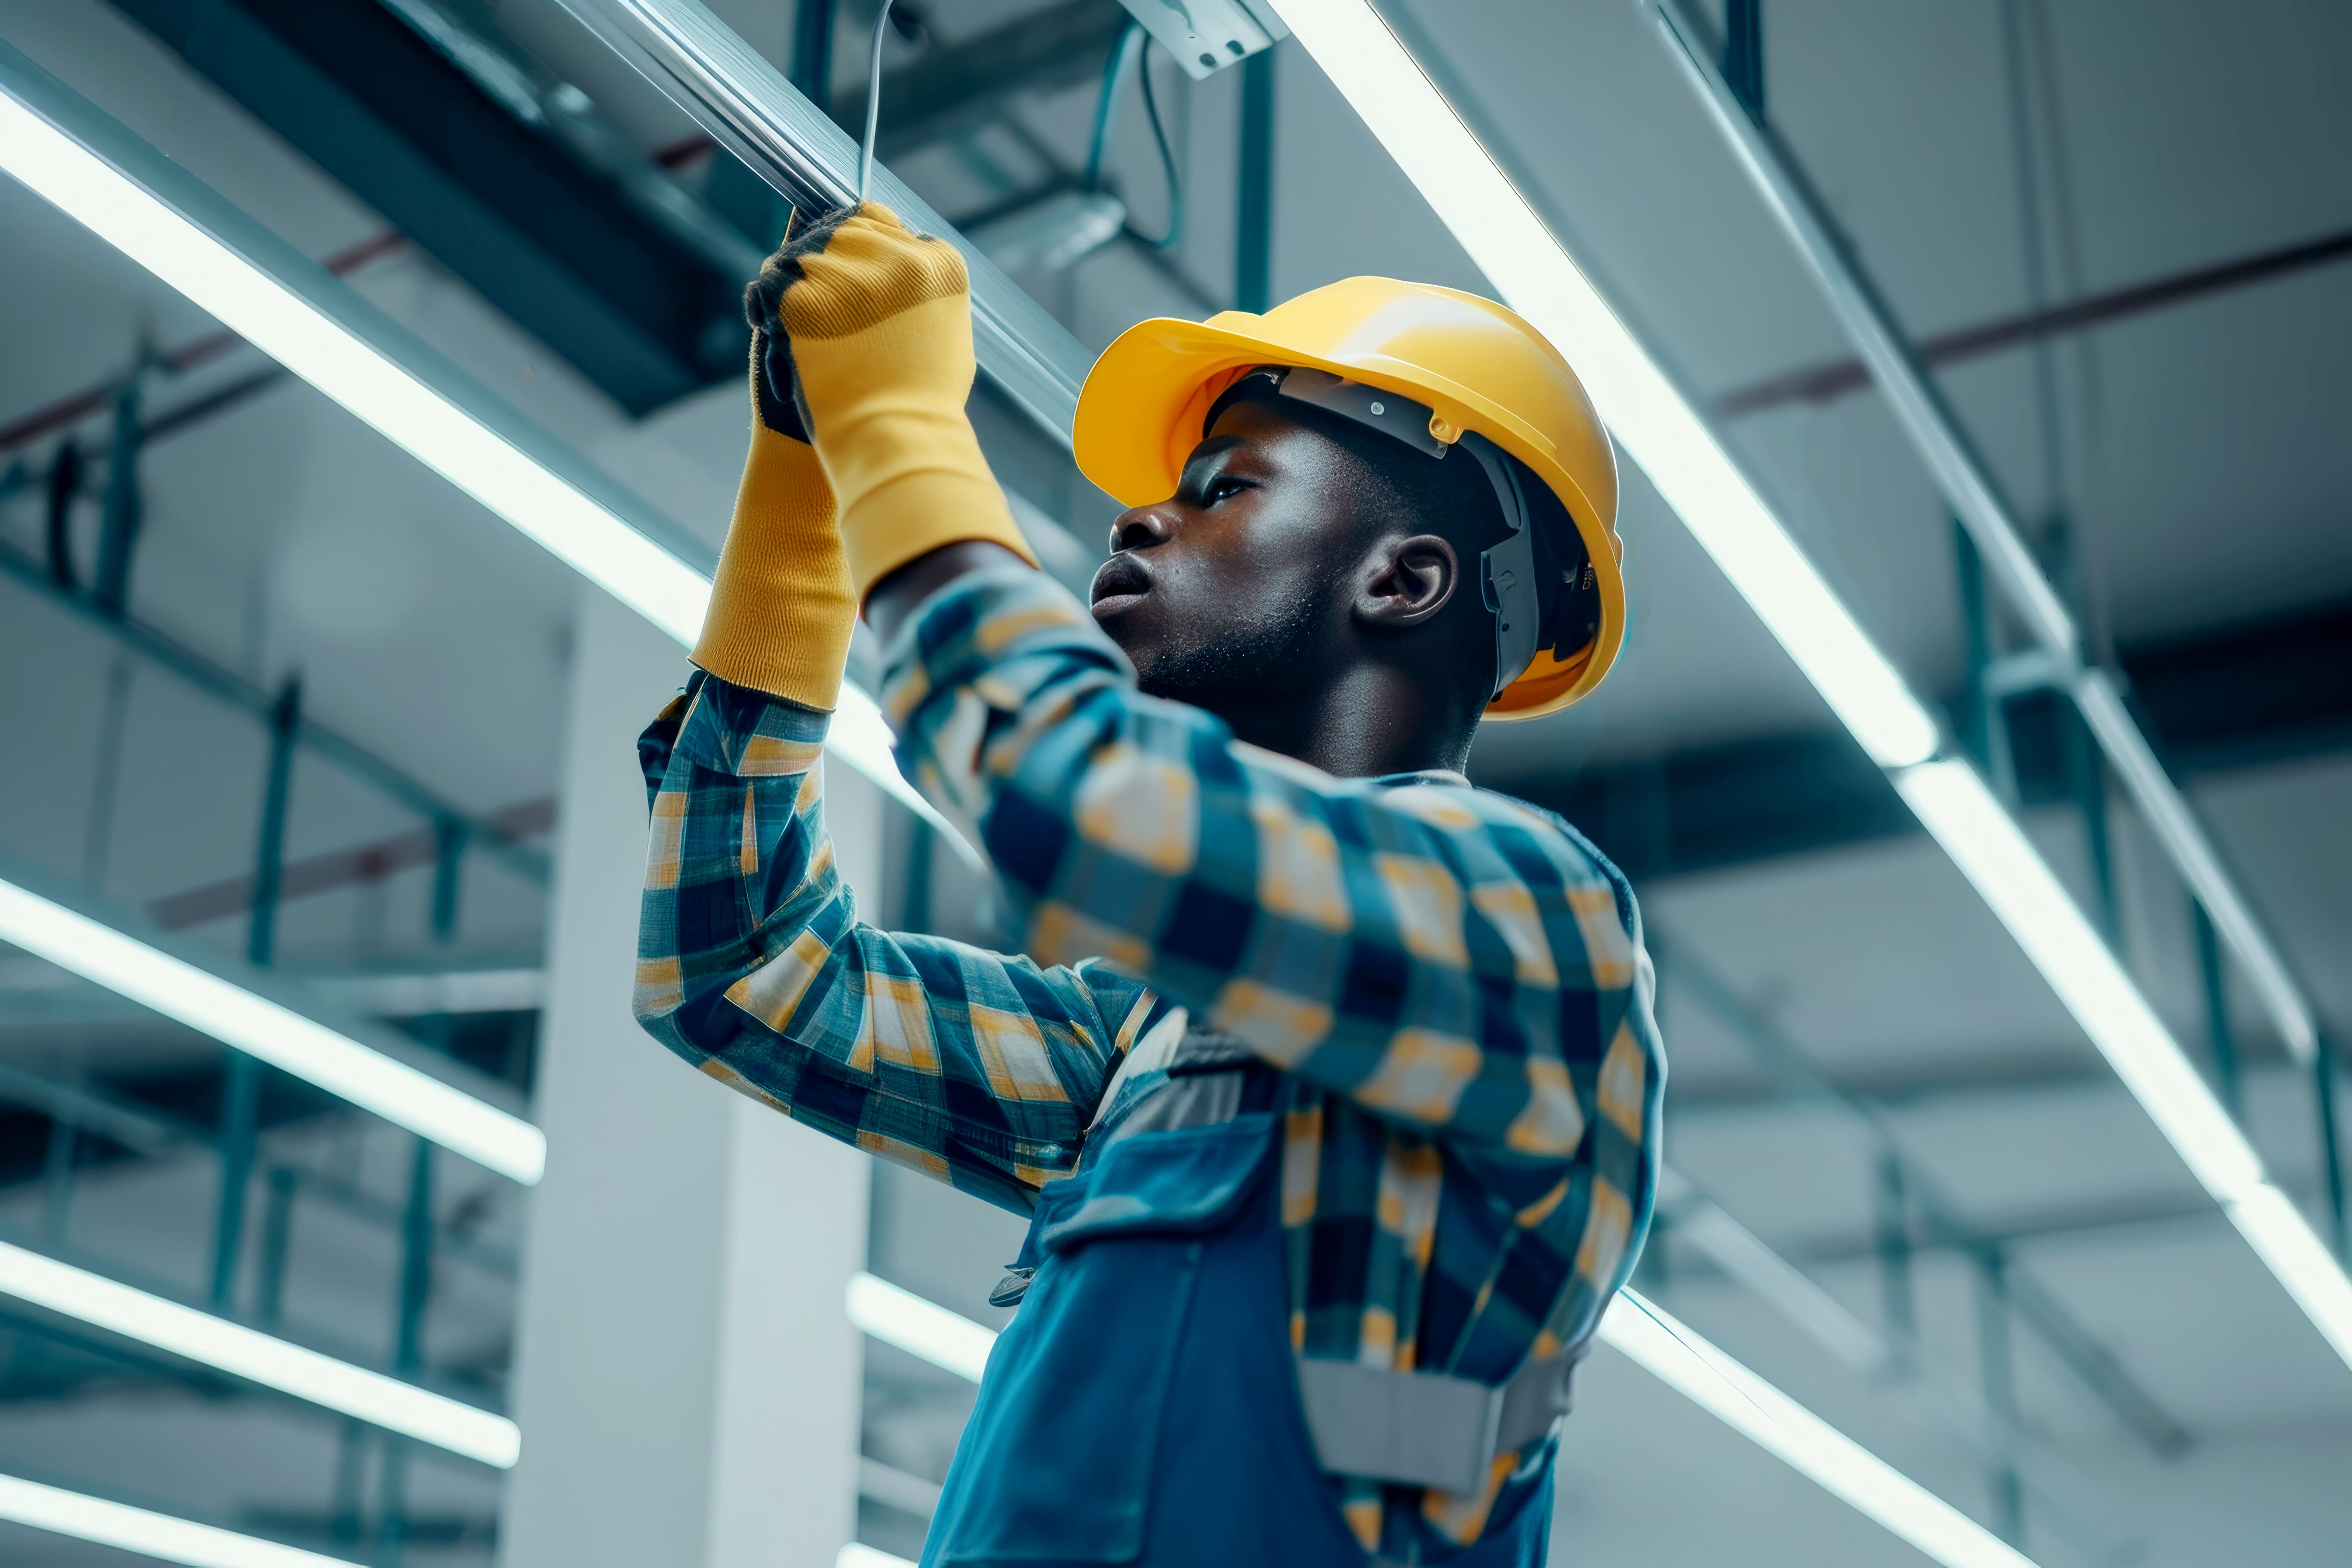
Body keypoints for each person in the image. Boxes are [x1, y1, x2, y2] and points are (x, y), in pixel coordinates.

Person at [634, 203, 1663, 1568]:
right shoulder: (1153, 1043)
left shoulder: (1524, 925)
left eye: (1226, 486)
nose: (1141, 512)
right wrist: (801, 508)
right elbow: (742, 974)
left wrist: (898, 433)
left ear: (1404, 579)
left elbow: (1076, 801)